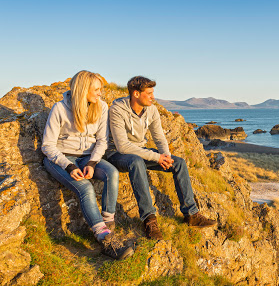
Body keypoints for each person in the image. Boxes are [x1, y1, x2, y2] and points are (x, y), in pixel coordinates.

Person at [106, 76, 216, 240]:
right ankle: (149, 220)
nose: (153, 97)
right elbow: (123, 146)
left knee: (178, 163)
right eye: (149, 93)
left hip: (139, 150)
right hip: (116, 153)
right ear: (136, 94)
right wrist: (156, 157)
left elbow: (159, 138)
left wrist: (166, 157)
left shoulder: (151, 110)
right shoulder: (117, 110)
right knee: (136, 162)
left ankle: (191, 214)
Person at [42, 70, 133, 260]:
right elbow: (47, 146)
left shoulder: (101, 107)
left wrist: (92, 162)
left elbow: (102, 141)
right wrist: (68, 166)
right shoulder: (59, 108)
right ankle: (106, 241)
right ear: (83, 89)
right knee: (85, 188)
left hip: (87, 157)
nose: (100, 93)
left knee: (112, 173)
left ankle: (108, 225)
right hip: (61, 159)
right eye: (97, 89)